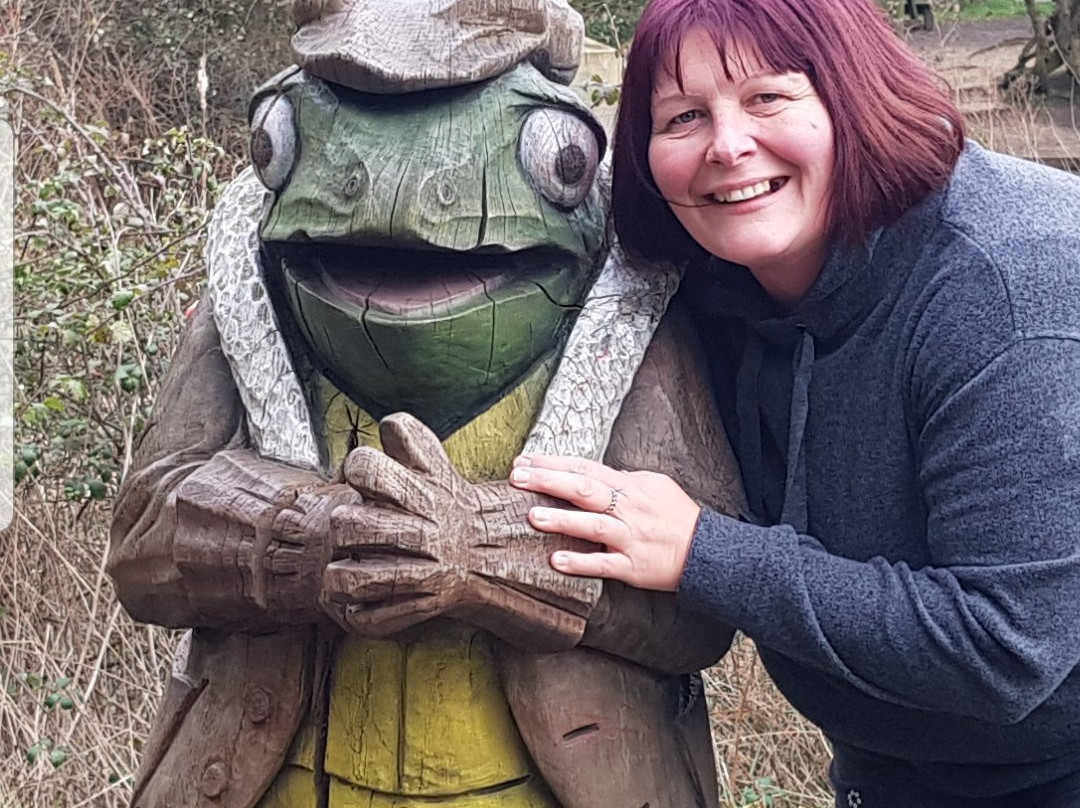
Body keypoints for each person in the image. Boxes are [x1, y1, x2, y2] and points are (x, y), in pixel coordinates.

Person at [508, 0, 1080, 805]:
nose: (728, 145)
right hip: (887, 765)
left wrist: (702, 552)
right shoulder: (719, 276)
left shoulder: (1005, 295)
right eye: (684, 116)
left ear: (852, 94)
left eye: (769, 97)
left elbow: (1007, 649)